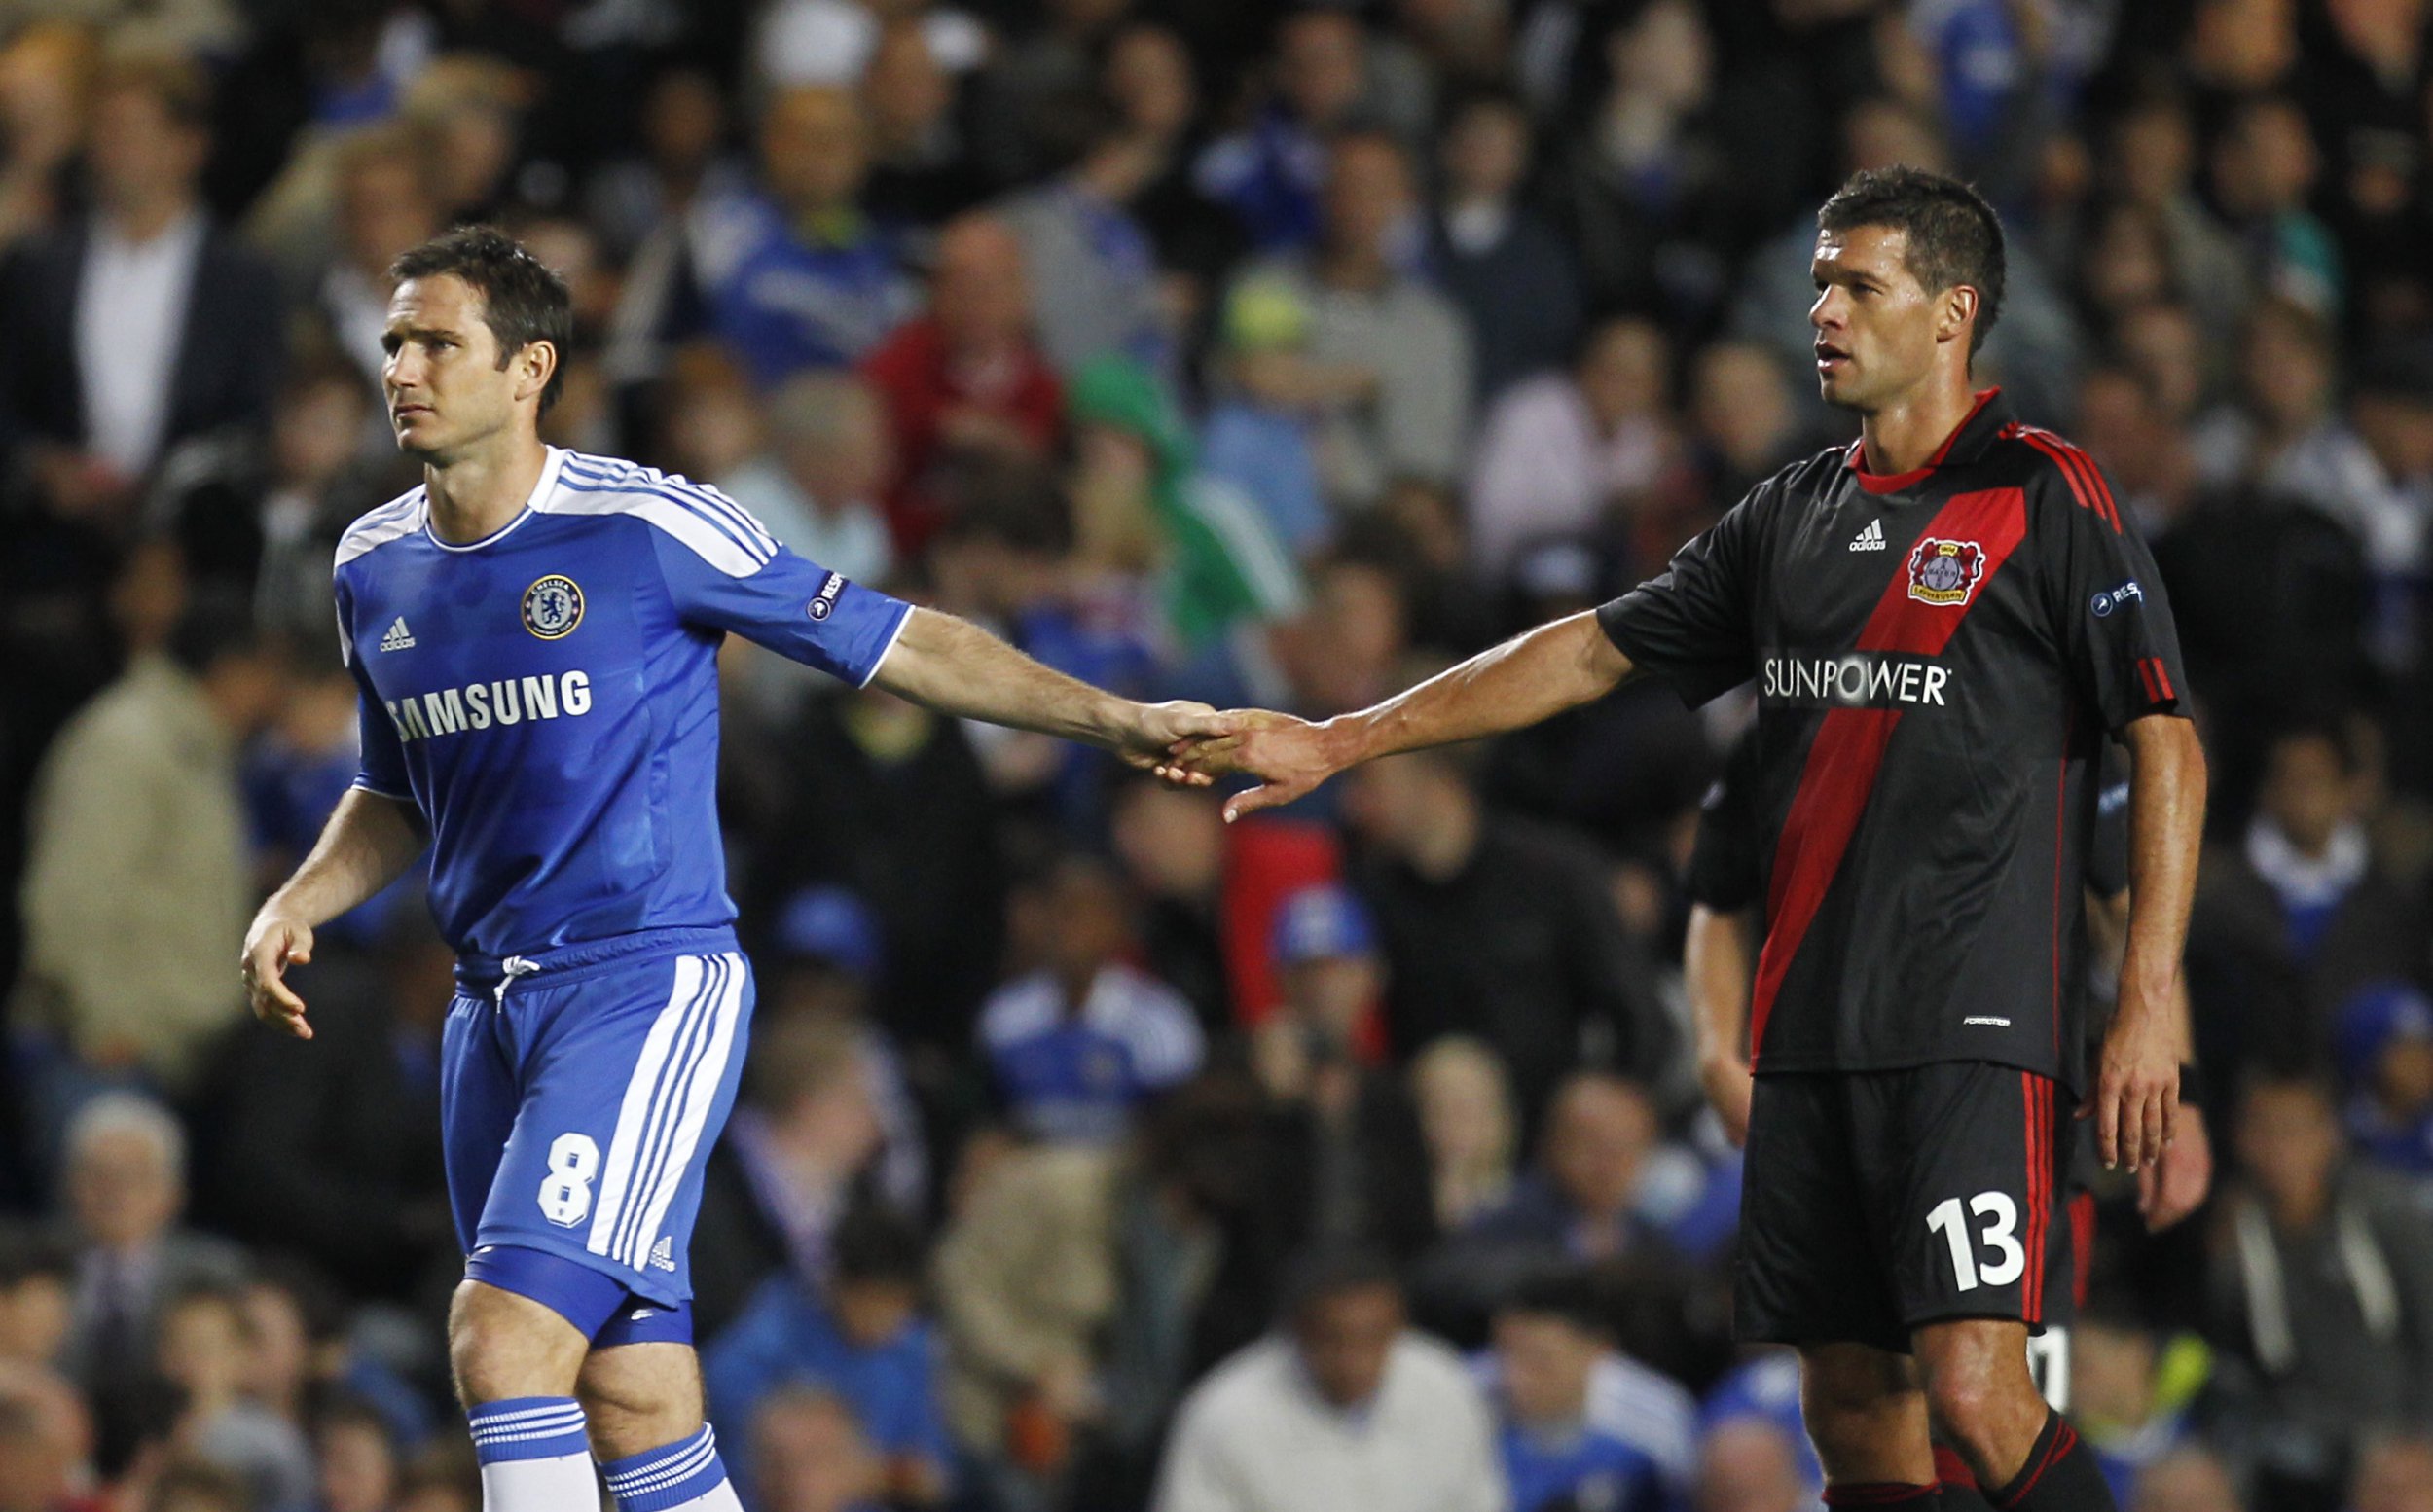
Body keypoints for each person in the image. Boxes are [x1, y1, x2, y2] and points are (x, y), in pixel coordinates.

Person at [1175, 166, 2208, 1509]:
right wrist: (1345, 736)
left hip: (1973, 1025)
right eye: (1820, 282)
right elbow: (1588, 651)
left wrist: (2145, 1001)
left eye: (1858, 285)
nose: (1823, 311)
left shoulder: (2047, 495)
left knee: (1975, 1385)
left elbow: (2165, 736)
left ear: (1954, 313)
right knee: (1850, 1404)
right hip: (1811, 1034)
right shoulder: (1791, 516)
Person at [236, 225, 1233, 1512]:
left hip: (642, 983)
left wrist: (1119, 716)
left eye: (439, 342)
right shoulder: (374, 564)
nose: (404, 369)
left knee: (502, 1343)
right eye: (395, 343)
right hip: (491, 1013)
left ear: (529, 366)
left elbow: (897, 644)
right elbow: (395, 786)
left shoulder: (648, 524)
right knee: (634, 1393)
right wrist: (298, 896)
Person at [1151, 1248, 1503, 1512]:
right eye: (1334, 1340)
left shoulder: (1446, 1387)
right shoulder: (1224, 1414)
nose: (1355, 1362)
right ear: (1296, 1332)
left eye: (1373, 1339)